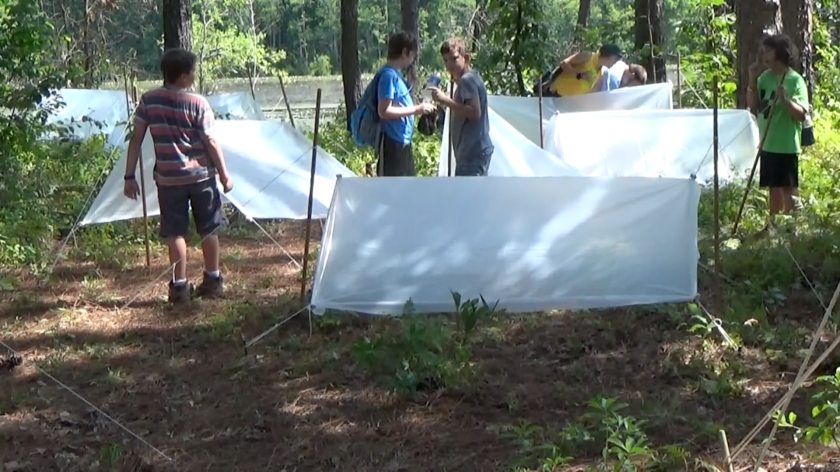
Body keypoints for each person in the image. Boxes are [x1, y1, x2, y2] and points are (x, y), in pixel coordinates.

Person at [123, 48, 233, 304]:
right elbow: (211, 141)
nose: (193, 76)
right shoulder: (198, 103)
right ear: (184, 76)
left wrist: (129, 176)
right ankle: (213, 280)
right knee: (209, 228)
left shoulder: (149, 101)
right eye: (192, 72)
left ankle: (180, 287)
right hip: (201, 176)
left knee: (175, 232)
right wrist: (225, 175)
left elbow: (136, 138)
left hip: (168, 178)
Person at [746, 34, 808, 234]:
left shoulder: (794, 80)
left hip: (786, 144)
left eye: (769, 51)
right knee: (773, 187)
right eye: (763, 51)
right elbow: (753, 105)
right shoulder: (764, 78)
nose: (764, 55)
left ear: (781, 53)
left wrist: (785, 100)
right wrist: (752, 79)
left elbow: (801, 115)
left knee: (789, 188)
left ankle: (793, 228)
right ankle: (773, 227)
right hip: (768, 143)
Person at [430, 37, 494, 176]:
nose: (449, 64)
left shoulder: (467, 80)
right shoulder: (471, 77)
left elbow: (474, 112)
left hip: (472, 151)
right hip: (475, 149)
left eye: (454, 58)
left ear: (466, 58)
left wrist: (445, 99)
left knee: (468, 195)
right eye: (445, 60)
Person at [375, 32, 436, 176]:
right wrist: (417, 109)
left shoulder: (396, 75)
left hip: (403, 142)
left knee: (407, 187)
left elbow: (400, 102)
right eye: (412, 55)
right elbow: (384, 111)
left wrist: (411, 84)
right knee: (393, 190)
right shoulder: (388, 76)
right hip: (393, 143)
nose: (413, 59)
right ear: (405, 52)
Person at [538, 44, 624, 97]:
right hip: (554, 94)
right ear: (608, 55)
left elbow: (590, 91)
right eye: (615, 59)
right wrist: (580, 75)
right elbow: (564, 64)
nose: (615, 63)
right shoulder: (588, 56)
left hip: (569, 105)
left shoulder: (601, 73)